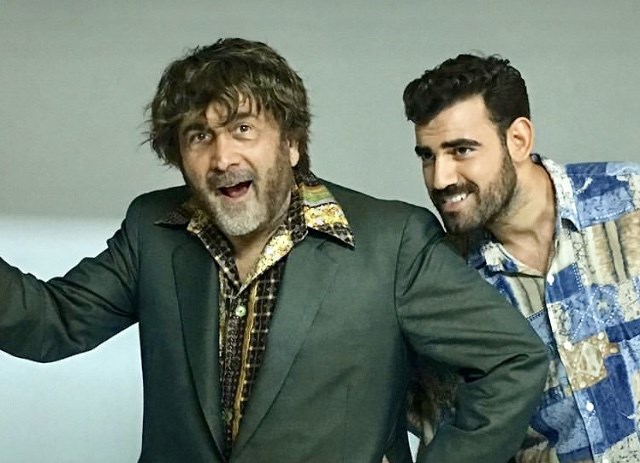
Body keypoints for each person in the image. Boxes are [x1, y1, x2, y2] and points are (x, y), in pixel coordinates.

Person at [0, 39, 548, 463]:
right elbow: (51, 322)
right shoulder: (153, 229)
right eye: (198, 136)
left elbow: (513, 360)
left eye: (242, 129)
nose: (222, 158)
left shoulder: (392, 241)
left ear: (290, 142)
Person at [403, 53, 640, 462]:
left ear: (518, 139)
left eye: (461, 150)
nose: (440, 178)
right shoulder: (444, 282)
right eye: (428, 155)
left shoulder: (630, 198)